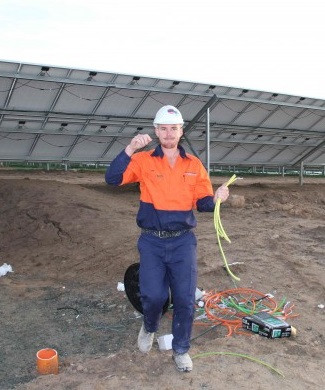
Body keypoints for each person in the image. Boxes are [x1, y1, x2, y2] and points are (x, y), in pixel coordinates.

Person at [105, 105, 229, 372]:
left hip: (183, 241)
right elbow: (112, 178)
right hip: (151, 240)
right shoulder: (144, 160)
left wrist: (217, 198)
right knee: (153, 295)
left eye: (173, 128)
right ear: (156, 131)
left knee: (185, 298)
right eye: (163, 128)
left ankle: (181, 350)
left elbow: (203, 203)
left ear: (181, 131)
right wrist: (129, 149)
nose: (169, 133)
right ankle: (149, 326)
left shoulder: (194, 165)